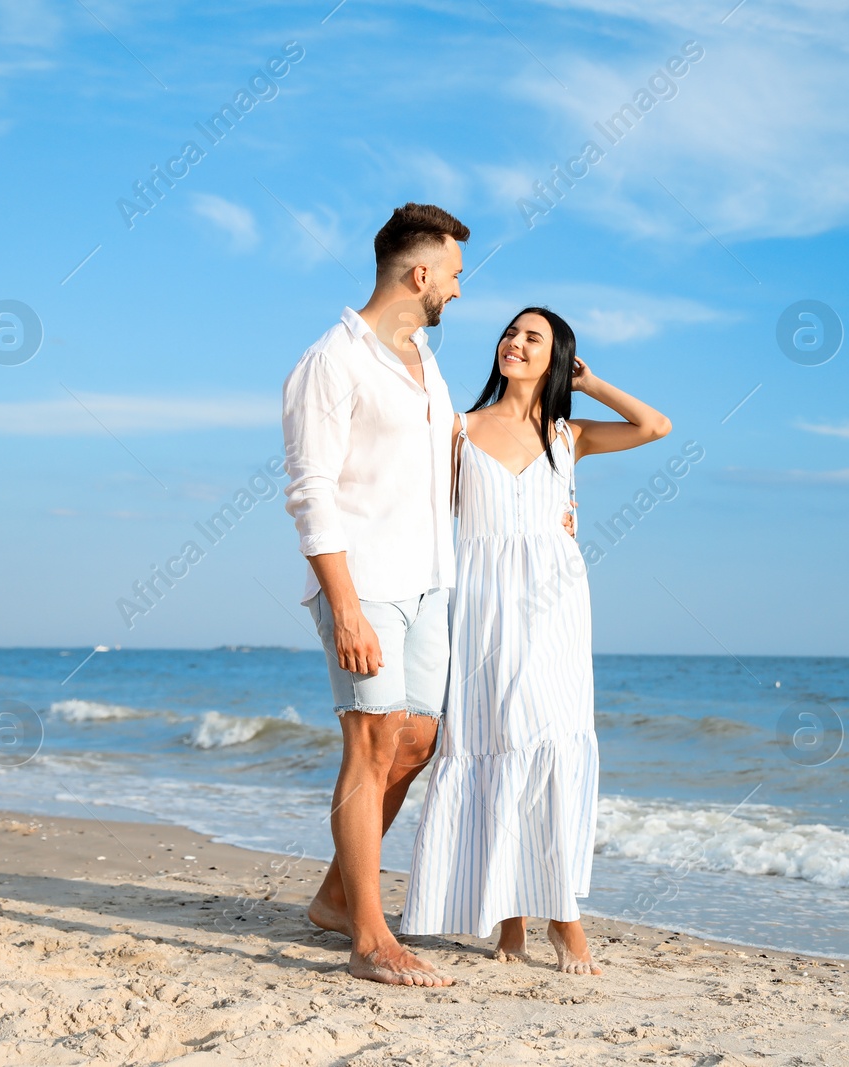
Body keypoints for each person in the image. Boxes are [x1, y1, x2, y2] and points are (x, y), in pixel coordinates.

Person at [399, 306, 671, 974]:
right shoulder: (458, 430)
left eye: (533, 337)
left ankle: (562, 918)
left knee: (549, 741)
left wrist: (591, 382)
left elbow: (655, 426)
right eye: (510, 333)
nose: (514, 343)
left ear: (557, 357)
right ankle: (512, 917)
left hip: (556, 607)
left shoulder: (566, 434)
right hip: (487, 604)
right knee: (498, 739)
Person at [280, 202, 468, 987]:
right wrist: (346, 606)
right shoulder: (333, 360)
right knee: (370, 741)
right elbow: (311, 491)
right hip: (366, 586)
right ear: (418, 273)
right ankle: (367, 936)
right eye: (454, 275)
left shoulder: (426, 359)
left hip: (431, 582)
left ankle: (333, 894)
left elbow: (450, 458)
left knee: (417, 741)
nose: (458, 291)